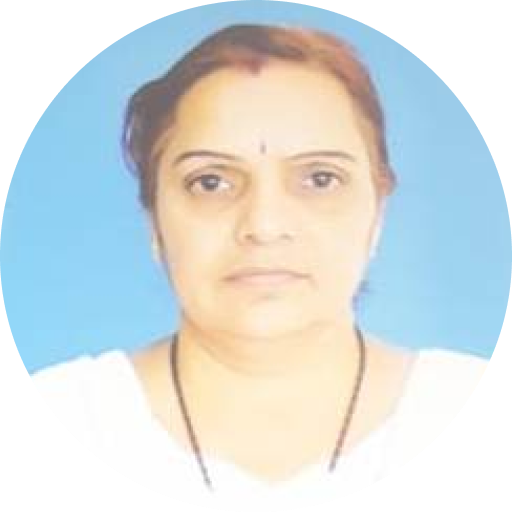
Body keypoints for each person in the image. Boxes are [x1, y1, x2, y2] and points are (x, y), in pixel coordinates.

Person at [30, 24, 488, 509]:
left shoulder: (453, 401)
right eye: (210, 182)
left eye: (320, 179)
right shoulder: (74, 414)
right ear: (154, 221)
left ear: (378, 213)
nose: (265, 226)